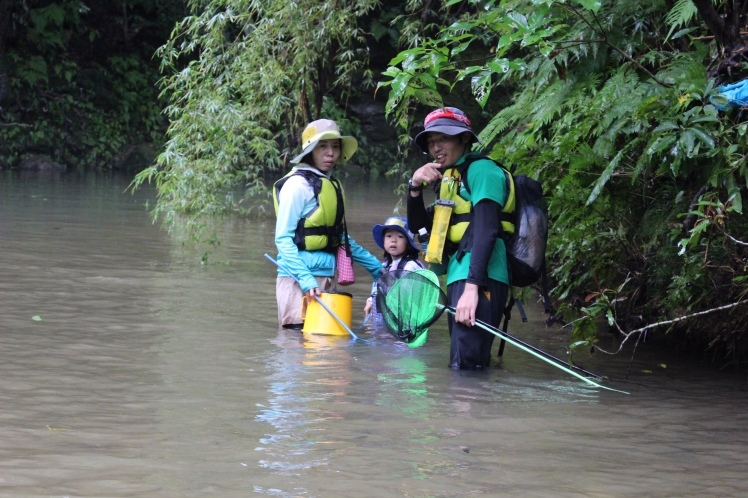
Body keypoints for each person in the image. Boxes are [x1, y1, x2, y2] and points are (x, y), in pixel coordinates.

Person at [406, 107, 511, 369]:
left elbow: (487, 229)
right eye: (431, 142)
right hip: (459, 274)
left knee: (467, 368)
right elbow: (420, 227)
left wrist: (472, 288)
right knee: (463, 364)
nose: (435, 147)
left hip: (479, 276)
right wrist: (414, 186)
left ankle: (468, 410)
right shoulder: (451, 179)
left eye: (443, 138)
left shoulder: (482, 171)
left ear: (464, 139)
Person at [273, 119, 383, 329]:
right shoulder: (297, 186)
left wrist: (377, 268)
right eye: (323, 146)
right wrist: (305, 279)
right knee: (296, 348)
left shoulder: (331, 185)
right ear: (310, 151)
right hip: (298, 280)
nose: (330, 153)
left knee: (324, 352)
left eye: (335, 146)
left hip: (324, 278)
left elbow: (339, 238)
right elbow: (282, 239)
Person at [364, 216, 425, 321]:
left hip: (403, 322)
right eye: (389, 236)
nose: (393, 240)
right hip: (383, 319)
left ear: (408, 243)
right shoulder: (385, 265)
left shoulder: (410, 266)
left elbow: (405, 297)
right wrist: (370, 300)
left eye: (400, 236)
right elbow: (377, 289)